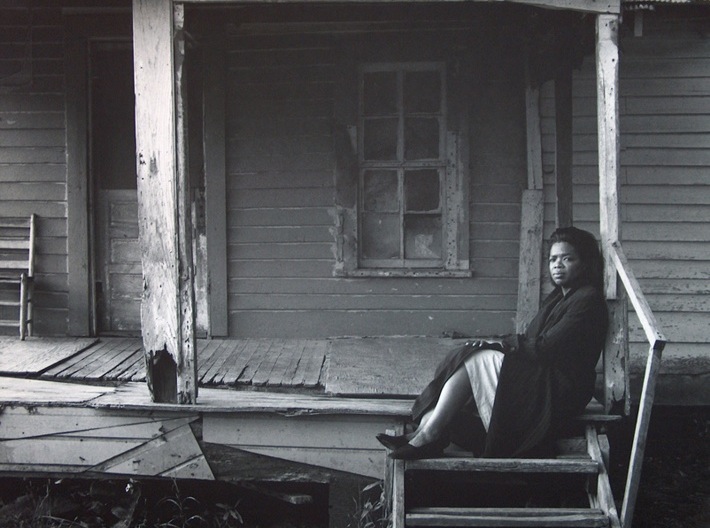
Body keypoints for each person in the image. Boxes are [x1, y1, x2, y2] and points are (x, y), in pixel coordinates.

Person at [377, 226, 609, 460]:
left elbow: (545, 347)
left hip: (561, 389)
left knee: (478, 358)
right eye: (553, 259)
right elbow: (531, 339)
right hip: (543, 376)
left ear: (585, 263)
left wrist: (501, 345)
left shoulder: (587, 299)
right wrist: (498, 344)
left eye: (567, 259)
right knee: (467, 352)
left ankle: (430, 434)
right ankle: (423, 430)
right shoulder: (558, 297)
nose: (557, 265)